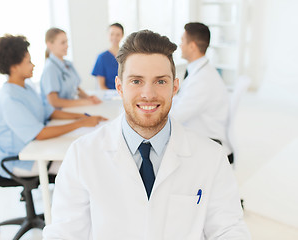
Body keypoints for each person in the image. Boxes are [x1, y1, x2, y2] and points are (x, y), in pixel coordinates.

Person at [43, 30, 250, 239]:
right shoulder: (82, 155)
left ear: (175, 87)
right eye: (136, 81)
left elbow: (229, 230)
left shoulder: (211, 157)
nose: (148, 94)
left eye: (160, 81)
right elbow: (64, 233)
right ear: (119, 87)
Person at [0, 34, 106, 179]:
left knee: (83, 156)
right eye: (28, 62)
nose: (33, 65)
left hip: (36, 148)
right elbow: (39, 134)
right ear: (14, 67)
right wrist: (81, 123)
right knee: (83, 167)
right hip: (21, 160)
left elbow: (48, 112)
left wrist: (82, 116)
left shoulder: (26, 87)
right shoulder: (10, 99)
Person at [170, 22, 233, 163]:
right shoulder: (200, 72)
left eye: (182, 41)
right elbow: (181, 101)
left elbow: (177, 116)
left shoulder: (203, 80)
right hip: (201, 135)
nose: (180, 45)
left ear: (192, 46)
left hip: (210, 142)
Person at [40, 28, 102, 108]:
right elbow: (54, 102)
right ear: (50, 45)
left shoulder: (67, 64)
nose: (67, 45)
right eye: (63, 43)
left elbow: (75, 87)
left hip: (71, 109)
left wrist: (88, 97)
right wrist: (82, 102)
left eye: (67, 41)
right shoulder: (50, 69)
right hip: (58, 115)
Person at [91, 23, 124, 90]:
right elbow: (101, 86)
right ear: (108, 35)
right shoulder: (102, 58)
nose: (115, 37)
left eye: (118, 34)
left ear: (122, 36)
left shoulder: (127, 56)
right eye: (112, 34)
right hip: (109, 96)